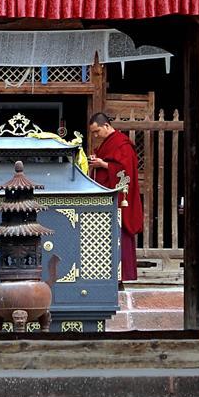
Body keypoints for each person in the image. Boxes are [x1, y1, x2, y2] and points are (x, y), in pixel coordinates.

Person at [87, 112, 143, 284]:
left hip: (119, 198)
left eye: (97, 131)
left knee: (120, 234)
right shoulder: (109, 142)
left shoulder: (121, 143)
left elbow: (125, 169)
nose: (96, 136)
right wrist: (97, 161)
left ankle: (122, 276)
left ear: (106, 126)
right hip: (106, 194)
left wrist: (103, 164)